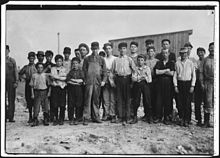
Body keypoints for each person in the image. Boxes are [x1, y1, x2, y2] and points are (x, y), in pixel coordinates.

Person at [82, 42, 107, 125]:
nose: (95, 50)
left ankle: (96, 117)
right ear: (91, 49)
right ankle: (86, 117)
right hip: (89, 82)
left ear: (98, 49)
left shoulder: (101, 59)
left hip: (97, 82)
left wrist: (103, 80)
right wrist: (85, 80)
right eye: (93, 49)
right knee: (87, 99)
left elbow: (104, 71)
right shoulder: (87, 59)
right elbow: (84, 71)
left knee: (96, 100)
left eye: (96, 49)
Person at [112, 42, 136, 126]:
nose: (122, 50)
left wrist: (132, 81)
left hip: (127, 80)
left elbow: (134, 71)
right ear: (118, 50)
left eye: (124, 48)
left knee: (128, 99)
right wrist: (112, 81)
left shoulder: (129, 59)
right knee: (119, 99)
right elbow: (112, 72)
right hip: (118, 80)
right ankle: (120, 116)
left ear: (126, 49)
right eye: (121, 49)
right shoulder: (115, 60)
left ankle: (128, 117)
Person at [173, 47, 196, 127]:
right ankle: (181, 118)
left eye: (185, 53)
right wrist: (175, 86)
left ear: (187, 54)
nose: (184, 55)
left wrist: (192, 85)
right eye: (182, 53)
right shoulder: (177, 63)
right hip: (180, 83)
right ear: (180, 54)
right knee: (180, 102)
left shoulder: (190, 63)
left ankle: (187, 119)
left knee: (187, 103)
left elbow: (194, 75)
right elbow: (175, 75)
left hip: (188, 84)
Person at [154, 49, 175, 125]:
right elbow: (156, 72)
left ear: (168, 54)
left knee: (168, 101)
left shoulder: (171, 63)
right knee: (159, 100)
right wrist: (166, 70)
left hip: (169, 84)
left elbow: (172, 73)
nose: (164, 54)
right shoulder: (159, 62)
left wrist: (161, 71)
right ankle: (159, 117)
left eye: (166, 53)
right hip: (159, 84)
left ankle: (167, 117)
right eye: (163, 53)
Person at [130, 54, 152, 124]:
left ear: (144, 61)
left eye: (142, 60)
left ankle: (149, 116)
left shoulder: (147, 68)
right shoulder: (135, 68)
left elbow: (149, 79)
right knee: (136, 100)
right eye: (138, 60)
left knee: (147, 100)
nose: (140, 62)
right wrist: (141, 77)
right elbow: (133, 78)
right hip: (137, 85)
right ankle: (135, 117)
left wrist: (142, 77)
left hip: (145, 85)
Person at [29, 62, 50, 126]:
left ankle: (45, 118)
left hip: (44, 91)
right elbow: (31, 86)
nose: (40, 69)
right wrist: (32, 94)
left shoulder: (45, 75)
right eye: (38, 67)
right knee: (36, 106)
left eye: (41, 67)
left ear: (43, 68)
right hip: (37, 92)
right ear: (36, 68)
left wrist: (49, 92)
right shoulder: (34, 75)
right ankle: (35, 119)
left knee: (45, 106)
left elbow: (49, 85)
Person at [19, 52, 37, 123]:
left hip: (35, 85)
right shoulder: (25, 67)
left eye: (32, 58)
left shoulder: (36, 66)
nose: (31, 60)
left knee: (35, 101)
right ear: (28, 58)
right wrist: (23, 78)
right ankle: (30, 116)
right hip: (28, 84)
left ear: (34, 59)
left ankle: (35, 117)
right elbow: (20, 74)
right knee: (29, 100)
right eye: (30, 58)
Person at [200, 42, 214, 128]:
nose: (212, 49)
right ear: (208, 49)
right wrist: (202, 83)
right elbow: (201, 72)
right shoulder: (205, 60)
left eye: (214, 47)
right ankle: (206, 121)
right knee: (207, 101)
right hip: (208, 82)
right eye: (211, 48)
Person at [66, 57, 84, 125]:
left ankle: (77, 118)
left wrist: (73, 80)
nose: (75, 65)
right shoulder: (70, 72)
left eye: (76, 63)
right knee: (71, 104)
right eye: (73, 63)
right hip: (71, 89)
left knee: (78, 104)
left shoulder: (81, 72)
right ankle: (71, 118)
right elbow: (68, 80)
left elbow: (82, 80)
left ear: (79, 64)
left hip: (79, 90)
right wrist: (76, 82)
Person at [50, 54, 67, 126]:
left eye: (60, 61)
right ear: (55, 61)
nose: (58, 63)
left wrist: (57, 77)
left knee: (62, 104)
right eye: (57, 61)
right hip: (55, 87)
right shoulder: (53, 69)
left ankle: (61, 119)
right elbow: (51, 77)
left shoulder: (64, 69)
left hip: (62, 87)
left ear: (62, 62)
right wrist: (60, 77)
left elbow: (65, 78)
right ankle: (56, 118)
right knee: (55, 104)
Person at [102, 43, 117, 123]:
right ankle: (106, 114)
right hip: (105, 81)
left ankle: (113, 114)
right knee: (105, 98)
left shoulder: (115, 59)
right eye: (106, 49)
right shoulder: (103, 59)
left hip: (113, 80)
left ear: (112, 49)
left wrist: (112, 79)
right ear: (104, 50)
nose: (108, 50)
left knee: (113, 98)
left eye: (109, 48)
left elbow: (116, 70)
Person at [145, 46, 159, 121]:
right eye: (149, 51)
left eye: (152, 51)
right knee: (147, 98)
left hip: (155, 81)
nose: (150, 53)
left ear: (154, 52)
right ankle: (147, 114)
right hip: (147, 81)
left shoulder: (157, 61)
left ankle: (155, 115)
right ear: (147, 53)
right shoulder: (145, 61)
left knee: (155, 98)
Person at [5, 45, 19, 122]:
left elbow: (15, 71)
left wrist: (16, 81)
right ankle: (4, 116)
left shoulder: (12, 60)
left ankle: (11, 117)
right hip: (3, 82)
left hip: (11, 82)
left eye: (6, 50)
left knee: (11, 100)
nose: (5, 52)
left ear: (8, 51)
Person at [78, 43, 90, 121]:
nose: (82, 51)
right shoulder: (77, 60)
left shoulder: (89, 59)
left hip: (87, 82)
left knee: (87, 99)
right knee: (79, 99)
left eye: (84, 50)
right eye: (81, 50)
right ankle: (79, 116)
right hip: (78, 82)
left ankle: (86, 116)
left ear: (87, 51)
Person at [43, 50, 56, 122]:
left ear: (52, 57)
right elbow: (40, 74)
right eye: (47, 57)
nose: (49, 58)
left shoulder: (54, 65)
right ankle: (46, 116)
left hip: (52, 85)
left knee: (53, 101)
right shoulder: (43, 65)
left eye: (50, 57)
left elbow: (55, 75)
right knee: (45, 101)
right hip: (44, 85)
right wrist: (47, 69)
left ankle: (52, 116)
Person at [194, 47, 206, 126]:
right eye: (199, 52)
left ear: (204, 53)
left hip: (206, 82)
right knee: (197, 103)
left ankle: (206, 120)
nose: (200, 54)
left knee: (206, 102)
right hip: (197, 83)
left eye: (202, 52)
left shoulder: (207, 61)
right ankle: (198, 119)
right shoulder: (196, 62)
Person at [98, 51, 106, 117]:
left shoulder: (104, 65)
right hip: (97, 83)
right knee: (97, 99)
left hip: (104, 84)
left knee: (104, 99)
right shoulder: (98, 64)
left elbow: (105, 73)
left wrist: (103, 81)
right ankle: (96, 114)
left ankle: (104, 114)